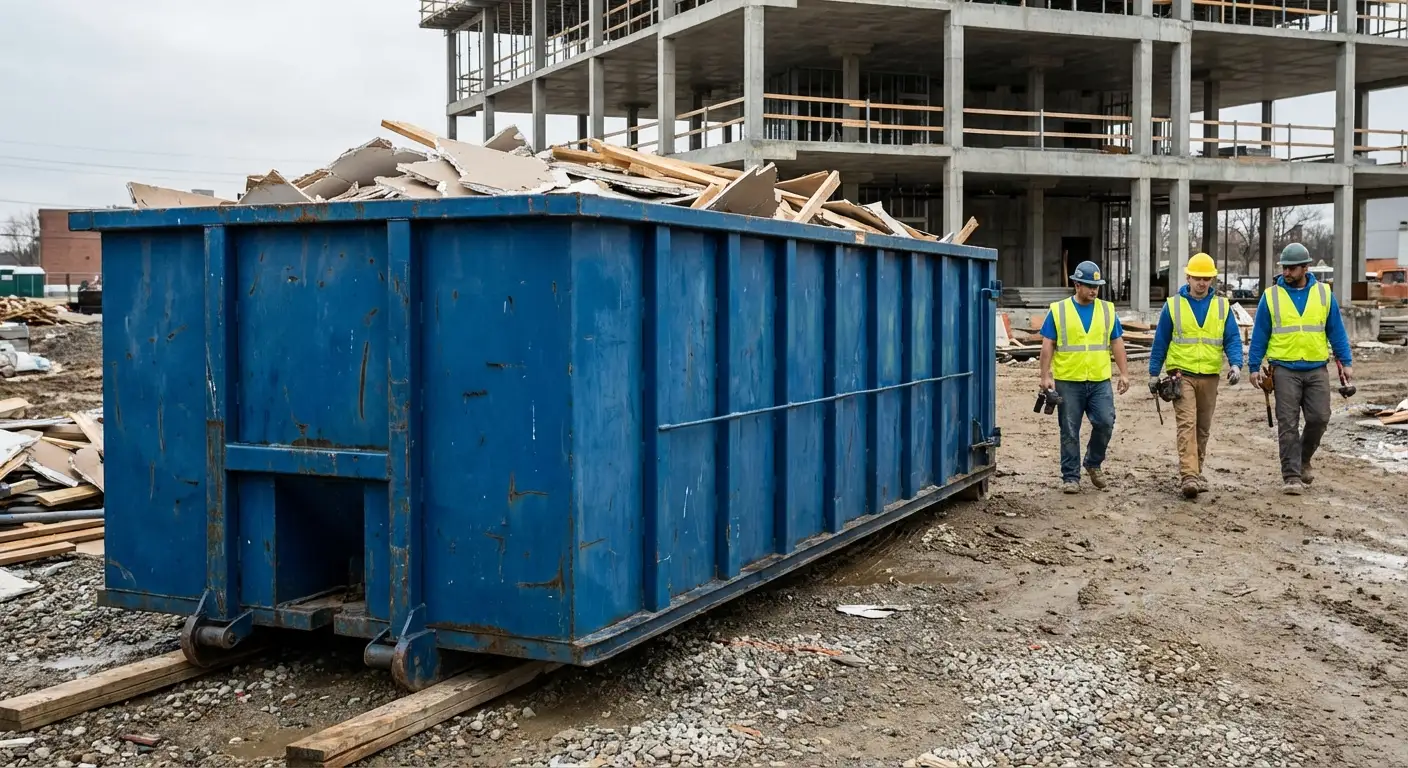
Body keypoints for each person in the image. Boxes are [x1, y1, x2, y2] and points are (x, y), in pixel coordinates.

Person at [1248, 242, 1354, 495]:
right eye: (1284, 267)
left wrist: (1346, 362)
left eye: (1292, 268)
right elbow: (1260, 334)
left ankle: (1304, 458)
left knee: (1319, 418)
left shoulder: (1324, 294)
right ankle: (1292, 475)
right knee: (1288, 423)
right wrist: (1253, 366)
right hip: (1283, 368)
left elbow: (1336, 331)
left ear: (1305, 267)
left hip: (1316, 368)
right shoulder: (1271, 296)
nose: (1286, 272)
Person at [1147, 252, 1245, 499]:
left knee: (1203, 427)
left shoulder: (1222, 307)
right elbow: (1161, 341)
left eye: (1207, 279)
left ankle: (1197, 472)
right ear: (1188, 277)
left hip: (1210, 375)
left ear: (1212, 280)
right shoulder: (1174, 305)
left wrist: (1236, 364)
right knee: (1187, 424)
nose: (1202, 283)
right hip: (1181, 375)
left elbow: (1232, 338)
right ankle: (1189, 475)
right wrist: (1153, 372)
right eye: (1197, 278)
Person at [1039, 260, 1132, 493]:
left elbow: (1117, 342)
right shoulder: (1059, 310)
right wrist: (1045, 375)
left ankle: (1093, 462)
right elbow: (1048, 343)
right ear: (1076, 284)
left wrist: (1124, 373)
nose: (1094, 290)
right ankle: (1070, 477)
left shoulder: (1107, 310)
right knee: (1069, 429)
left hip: (1099, 379)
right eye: (1089, 285)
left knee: (1105, 422)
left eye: (1097, 286)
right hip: (1068, 380)